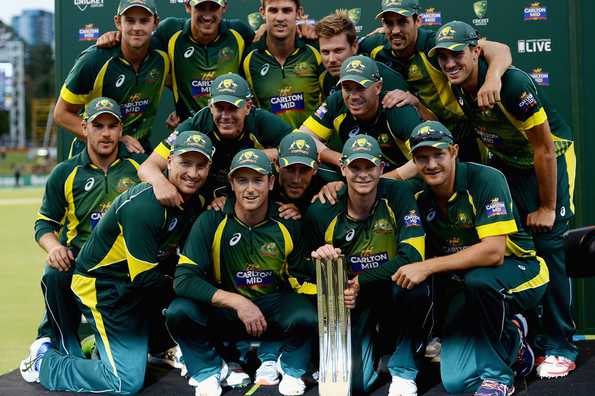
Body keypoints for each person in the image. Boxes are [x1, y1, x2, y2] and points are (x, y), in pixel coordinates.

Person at [430, 20, 577, 379]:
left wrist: (545, 206)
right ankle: (526, 332)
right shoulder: (460, 83)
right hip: (506, 163)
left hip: (546, 161)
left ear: (475, 51)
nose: (450, 63)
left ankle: (561, 346)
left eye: (457, 54)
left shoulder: (511, 84)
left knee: (549, 243)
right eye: (443, 57)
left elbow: (543, 148)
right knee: (510, 245)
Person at [20, 131, 213, 394]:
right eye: (185, 163)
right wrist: (208, 293)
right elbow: (145, 279)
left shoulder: (196, 201)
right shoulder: (144, 205)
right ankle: (44, 363)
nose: (193, 173)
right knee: (124, 382)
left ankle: (104, 346)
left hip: (132, 287)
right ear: (168, 162)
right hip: (104, 287)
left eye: (201, 165)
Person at [396, 120, 549, 395]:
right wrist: (333, 188)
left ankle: (499, 378)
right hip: (467, 284)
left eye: (438, 154)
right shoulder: (417, 194)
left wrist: (427, 267)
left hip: (521, 269)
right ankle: (512, 335)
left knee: (480, 280)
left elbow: (493, 253)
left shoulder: (486, 179)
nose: (431, 164)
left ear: (453, 151)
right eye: (422, 157)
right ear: (413, 161)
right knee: (457, 383)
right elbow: (370, 184)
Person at [166, 148, 332, 396]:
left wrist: (330, 283)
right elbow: (184, 280)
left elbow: (300, 277)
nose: (250, 189)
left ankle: (290, 367)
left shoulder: (288, 221)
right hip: (227, 311)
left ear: (271, 181)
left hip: (272, 309)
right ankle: (209, 370)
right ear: (231, 183)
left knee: (307, 315)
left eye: (258, 180)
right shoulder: (212, 220)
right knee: (179, 312)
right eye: (242, 180)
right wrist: (237, 302)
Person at [20, 97, 145, 374]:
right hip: (79, 262)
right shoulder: (65, 172)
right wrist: (53, 247)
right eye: (98, 125)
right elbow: (44, 223)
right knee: (54, 273)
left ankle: (107, 346)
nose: (106, 133)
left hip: (122, 265)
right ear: (85, 127)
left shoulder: (139, 169)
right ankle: (62, 349)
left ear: (121, 129)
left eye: (112, 126)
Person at [308, 134, 428, 395]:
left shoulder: (399, 194)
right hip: (355, 298)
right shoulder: (322, 210)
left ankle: (405, 366)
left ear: (381, 168)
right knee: (356, 386)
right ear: (342, 169)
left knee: (412, 283)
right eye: (355, 167)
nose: (362, 174)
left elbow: (413, 257)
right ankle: (378, 349)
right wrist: (330, 271)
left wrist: (359, 281)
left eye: (369, 167)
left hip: (391, 287)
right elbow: (306, 268)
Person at [359, 0, 512, 160]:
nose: (395, 30)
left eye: (403, 22)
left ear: (417, 21)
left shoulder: (435, 44)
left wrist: (492, 80)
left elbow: (500, 49)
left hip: (463, 131)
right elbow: (347, 46)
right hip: (424, 130)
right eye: (389, 23)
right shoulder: (375, 46)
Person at [139, 73, 293, 206]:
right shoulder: (196, 124)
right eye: (219, 108)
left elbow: (304, 147)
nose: (225, 116)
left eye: (233, 108)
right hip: (208, 192)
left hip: (251, 188)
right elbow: (148, 166)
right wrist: (160, 183)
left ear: (248, 106)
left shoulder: (260, 120)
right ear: (210, 106)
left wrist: (272, 153)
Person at [54, 0, 169, 156]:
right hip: (93, 156)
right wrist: (117, 139)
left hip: (138, 150)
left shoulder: (163, 55)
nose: (136, 28)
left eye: (144, 21)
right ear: (118, 22)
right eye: (129, 20)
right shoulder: (93, 61)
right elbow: (61, 114)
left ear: (155, 23)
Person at [300, 55, 421, 178]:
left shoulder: (396, 107)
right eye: (347, 88)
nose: (353, 96)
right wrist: (341, 159)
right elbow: (303, 136)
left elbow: (424, 155)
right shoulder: (336, 102)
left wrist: (381, 182)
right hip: (358, 179)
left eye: (360, 88)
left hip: (401, 182)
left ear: (378, 87)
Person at [242, 0, 324, 128]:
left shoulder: (316, 52)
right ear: (263, 12)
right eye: (273, 10)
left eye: (286, 10)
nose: (280, 18)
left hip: (315, 144)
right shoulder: (249, 59)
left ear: (299, 13)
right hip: (270, 146)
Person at [315, 10, 410, 99]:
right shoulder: (325, 79)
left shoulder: (384, 76)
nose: (331, 59)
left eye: (338, 50)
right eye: (325, 52)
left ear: (354, 46)